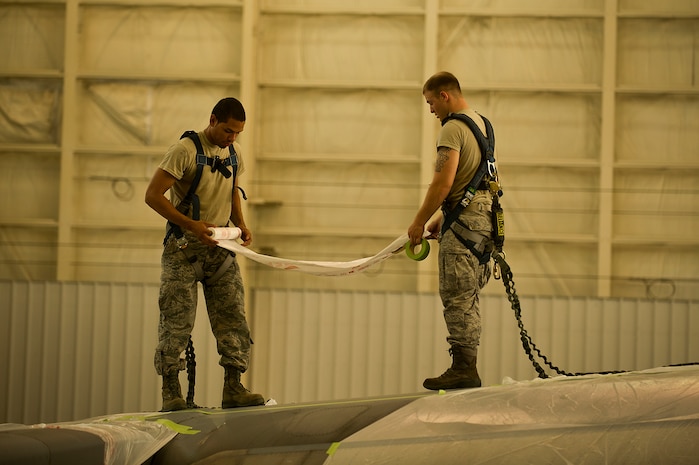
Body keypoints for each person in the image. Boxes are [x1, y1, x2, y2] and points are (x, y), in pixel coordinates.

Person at [145, 97, 265, 411]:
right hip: (184, 249)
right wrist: (192, 226)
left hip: (220, 252)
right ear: (212, 120)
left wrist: (241, 224)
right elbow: (153, 196)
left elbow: (232, 190)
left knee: (233, 319)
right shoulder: (184, 151)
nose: (232, 138)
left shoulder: (234, 154)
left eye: (238, 133)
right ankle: (171, 393)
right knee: (176, 323)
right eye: (228, 130)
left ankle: (233, 388)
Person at [408, 72, 496, 390]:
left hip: (464, 228)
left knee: (457, 298)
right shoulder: (483, 124)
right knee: (469, 297)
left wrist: (419, 221)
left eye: (431, 102)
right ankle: (466, 365)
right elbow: (473, 178)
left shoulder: (453, 129)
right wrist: (443, 219)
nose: (431, 109)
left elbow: (442, 183)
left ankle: (464, 368)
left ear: (445, 96)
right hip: (485, 224)